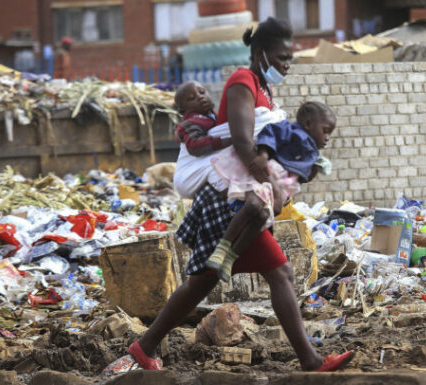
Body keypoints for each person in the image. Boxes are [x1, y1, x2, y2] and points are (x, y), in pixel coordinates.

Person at [129, 17, 353, 372]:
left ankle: (145, 345)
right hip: (230, 199)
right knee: (278, 272)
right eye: (281, 57)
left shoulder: (264, 88)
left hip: (238, 200)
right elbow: (245, 143)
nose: (286, 64)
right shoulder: (241, 82)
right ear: (260, 53)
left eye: (290, 58)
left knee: (203, 281)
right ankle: (310, 360)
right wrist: (272, 184)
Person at [207, 101, 336, 282]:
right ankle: (221, 249)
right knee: (252, 205)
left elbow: (300, 176)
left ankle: (231, 258)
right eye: (325, 130)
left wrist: (313, 171)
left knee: (260, 221)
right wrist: (263, 156)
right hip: (268, 173)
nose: (328, 137)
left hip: (281, 187)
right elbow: (270, 134)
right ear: (308, 124)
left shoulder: (313, 155)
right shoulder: (291, 130)